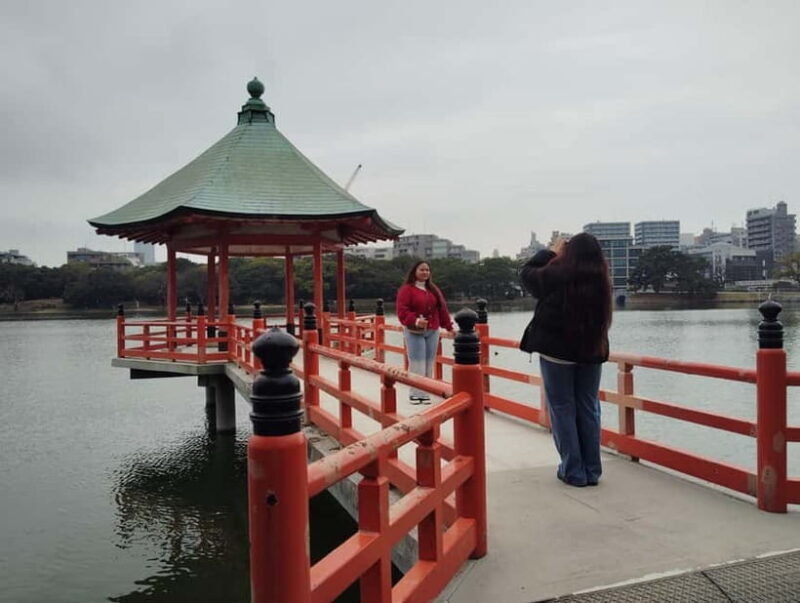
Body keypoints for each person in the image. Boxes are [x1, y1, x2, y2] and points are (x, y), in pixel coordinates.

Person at [519, 233, 612, 487]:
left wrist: (551, 252)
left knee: (562, 408)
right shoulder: (601, 279)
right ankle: (592, 470)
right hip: (591, 351)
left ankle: (573, 470)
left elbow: (527, 274)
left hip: (557, 352)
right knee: (588, 407)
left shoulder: (557, 273)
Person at [396, 261, 454, 403]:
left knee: (429, 362)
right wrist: (415, 320)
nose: (425, 272)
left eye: (427, 270)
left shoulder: (433, 289)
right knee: (417, 362)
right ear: (414, 272)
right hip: (414, 330)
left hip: (432, 330)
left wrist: (449, 327)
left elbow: (442, 309)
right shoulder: (407, 289)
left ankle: (426, 391)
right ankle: (416, 393)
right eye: (422, 270)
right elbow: (402, 310)